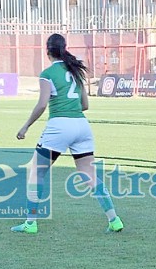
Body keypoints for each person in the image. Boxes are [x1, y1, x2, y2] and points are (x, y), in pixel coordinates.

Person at [12, 33, 124, 234]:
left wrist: (26, 126)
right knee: (89, 175)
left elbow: (42, 104)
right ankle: (114, 219)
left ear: (48, 52)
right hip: (82, 125)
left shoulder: (47, 74)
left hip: (59, 126)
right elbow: (85, 105)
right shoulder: (75, 71)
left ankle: (30, 223)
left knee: (36, 173)